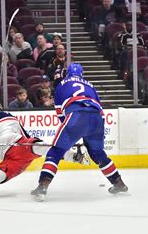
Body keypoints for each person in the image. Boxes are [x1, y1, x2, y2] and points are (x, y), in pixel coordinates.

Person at [0, 100, 89, 201]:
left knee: (38, 146)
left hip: (18, 146)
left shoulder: (5, 116)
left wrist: (32, 142)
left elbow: (25, 136)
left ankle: (75, 157)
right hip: (10, 159)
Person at [31, 63, 128, 202]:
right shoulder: (90, 85)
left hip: (76, 115)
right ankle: (119, 184)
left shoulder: (62, 83)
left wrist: (72, 133)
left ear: (67, 73)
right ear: (81, 74)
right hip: (97, 119)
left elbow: (60, 111)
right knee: (98, 154)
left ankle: (42, 186)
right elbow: (100, 109)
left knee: (56, 151)